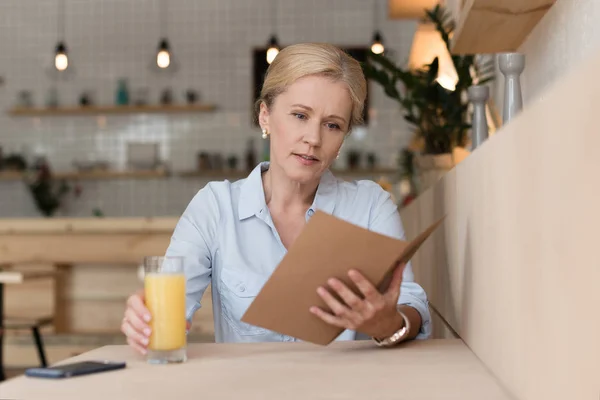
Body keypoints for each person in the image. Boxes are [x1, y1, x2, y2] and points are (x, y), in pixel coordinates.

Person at [122, 42, 431, 354]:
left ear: (343, 139)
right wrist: (144, 321)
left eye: (332, 125)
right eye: (300, 115)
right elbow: (169, 307)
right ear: (265, 116)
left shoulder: (371, 206)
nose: (313, 138)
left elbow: (410, 303)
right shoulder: (215, 207)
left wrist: (391, 324)